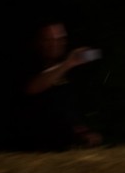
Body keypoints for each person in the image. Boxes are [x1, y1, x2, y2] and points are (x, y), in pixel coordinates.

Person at [12, 21, 103, 151]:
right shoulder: (25, 65)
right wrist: (68, 63)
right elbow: (32, 88)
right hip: (33, 147)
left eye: (60, 39)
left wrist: (84, 132)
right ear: (38, 42)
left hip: (64, 148)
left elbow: (69, 108)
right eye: (49, 40)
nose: (55, 44)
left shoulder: (69, 70)